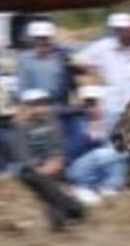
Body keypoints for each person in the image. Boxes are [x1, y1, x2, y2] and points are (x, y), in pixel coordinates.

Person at [9, 89, 84, 230]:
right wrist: (39, 168)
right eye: (35, 104)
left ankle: (59, 218)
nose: (40, 107)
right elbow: (23, 154)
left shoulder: (52, 120)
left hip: (51, 165)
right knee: (43, 181)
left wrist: (56, 161)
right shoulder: (20, 126)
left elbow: (58, 145)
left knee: (53, 184)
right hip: (31, 169)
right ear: (27, 106)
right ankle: (72, 207)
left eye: (42, 103)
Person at [73, 13, 130, 125]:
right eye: (118, 29)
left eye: (125, 29)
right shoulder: (104, 47)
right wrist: (95, 75)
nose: (122, 32)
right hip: (110, 109)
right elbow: (77, 61)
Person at [65, 86, 130, 205]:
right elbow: (71, 154)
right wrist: (86, 138)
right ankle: (82, 187)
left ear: (102, 104)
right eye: (87, 105)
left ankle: (105, 187)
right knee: (103, 154)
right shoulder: (76, 122)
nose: (91, 109)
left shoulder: (110, 121)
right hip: (77, 169)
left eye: (94, 104)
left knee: (117, 156)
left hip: (99, 173)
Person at [17, 21, 69, 105]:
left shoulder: (60, 57)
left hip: (56, 105)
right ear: (33, 40)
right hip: (33, 105)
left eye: (46, 38)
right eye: (39, 38)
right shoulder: (24, 59)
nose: (42, 42)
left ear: (51, 39)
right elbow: (22, 89)